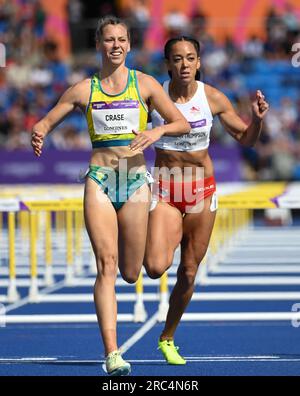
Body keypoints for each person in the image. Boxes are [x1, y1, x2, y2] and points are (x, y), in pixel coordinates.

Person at [31, 17, 190, 376]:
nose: (115, 45)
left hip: (134, 181)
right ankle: (112, 353)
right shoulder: (83, 89)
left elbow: (181, 122)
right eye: (108, 39)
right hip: (100, 180)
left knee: (132, 272)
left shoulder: (145, 84)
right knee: (106, 265)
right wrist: (38, 132)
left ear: (129, 45)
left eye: (121, 39)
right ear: (100, 45)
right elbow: (45, 121)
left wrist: (156, 131)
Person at [144, 36, 269, 364]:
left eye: (190, 58)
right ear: (168, 64)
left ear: (199, 62)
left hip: (201, 191)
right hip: (167, 190)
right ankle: (146, 233)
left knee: (188, 271)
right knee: (156, 266)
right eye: (177, 59)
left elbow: (246, 140)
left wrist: (256, 120)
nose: (184, 65)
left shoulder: (211, 97)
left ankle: (167, 337)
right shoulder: (152, 97)